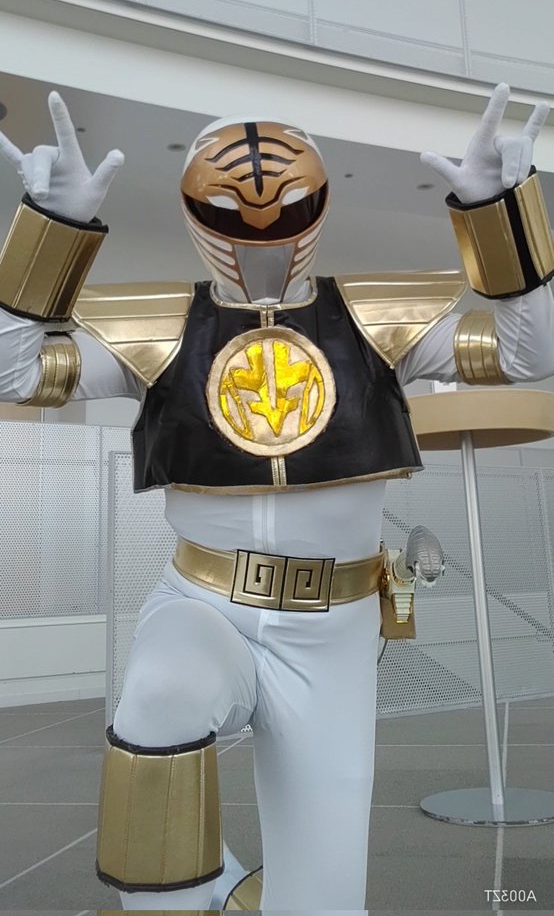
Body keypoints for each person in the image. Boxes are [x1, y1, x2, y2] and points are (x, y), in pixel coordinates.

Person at [0, 83, 553, 913]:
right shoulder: (158, 327)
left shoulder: (379, 321)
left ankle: (233, 889)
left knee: (324, 899)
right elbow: (11, 374)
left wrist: (502, 215)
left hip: (336, 627)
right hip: (204, 601)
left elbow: (529, 354)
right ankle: (192, 891)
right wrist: (48, 230)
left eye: (287, 203)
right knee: (160, 695)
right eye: (228, 206)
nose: (260, 227)